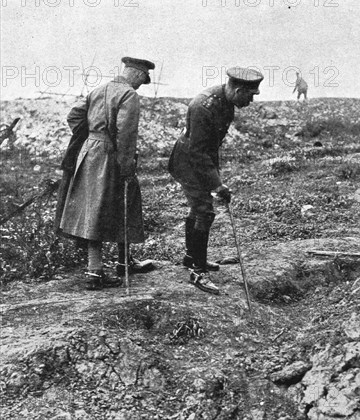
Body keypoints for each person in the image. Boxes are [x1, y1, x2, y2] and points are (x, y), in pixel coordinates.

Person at [56, 57, 155, 290]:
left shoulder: (98, 90)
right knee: (118, 204)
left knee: (95, 207)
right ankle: (97, 272)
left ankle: (120, 262)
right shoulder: (129, 94)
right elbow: (126, 135)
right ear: (139, 75)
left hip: (89, 153)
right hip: (109, 156)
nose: (140, 86)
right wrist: (126, 166)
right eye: (142, 81)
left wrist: (92, 136)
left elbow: (74, 115)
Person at [168, 67, 264, 295]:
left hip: (199, 158)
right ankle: (198, 272)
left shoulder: (227, 104)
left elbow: (213, 147)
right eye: (249, 96)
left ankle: (192, 257)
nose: (250, 101)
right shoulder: (204, 106)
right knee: (204, 211)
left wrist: (216, 180)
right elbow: (198, 152)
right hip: (187, 160)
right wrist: (215, 185)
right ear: (239, 90)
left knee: (199, 209)